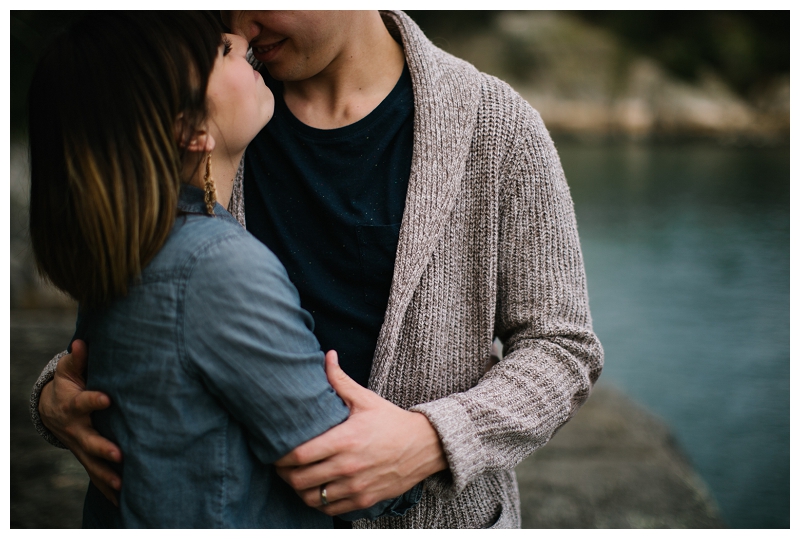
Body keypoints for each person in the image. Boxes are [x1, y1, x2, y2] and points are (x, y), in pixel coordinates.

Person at [32, 10, 604, 528]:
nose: (241, 25)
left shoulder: (497, 127)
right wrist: (57, 399)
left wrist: (433, 440)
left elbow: (563, 347)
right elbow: (130, 296)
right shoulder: (211, 104)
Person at [26, 11, 419, 528]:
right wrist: (417, 455)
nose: (240, 36)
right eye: (220, 51)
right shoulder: (219, 267)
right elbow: (339, 472)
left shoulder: (131, 240)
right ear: (189, 128)